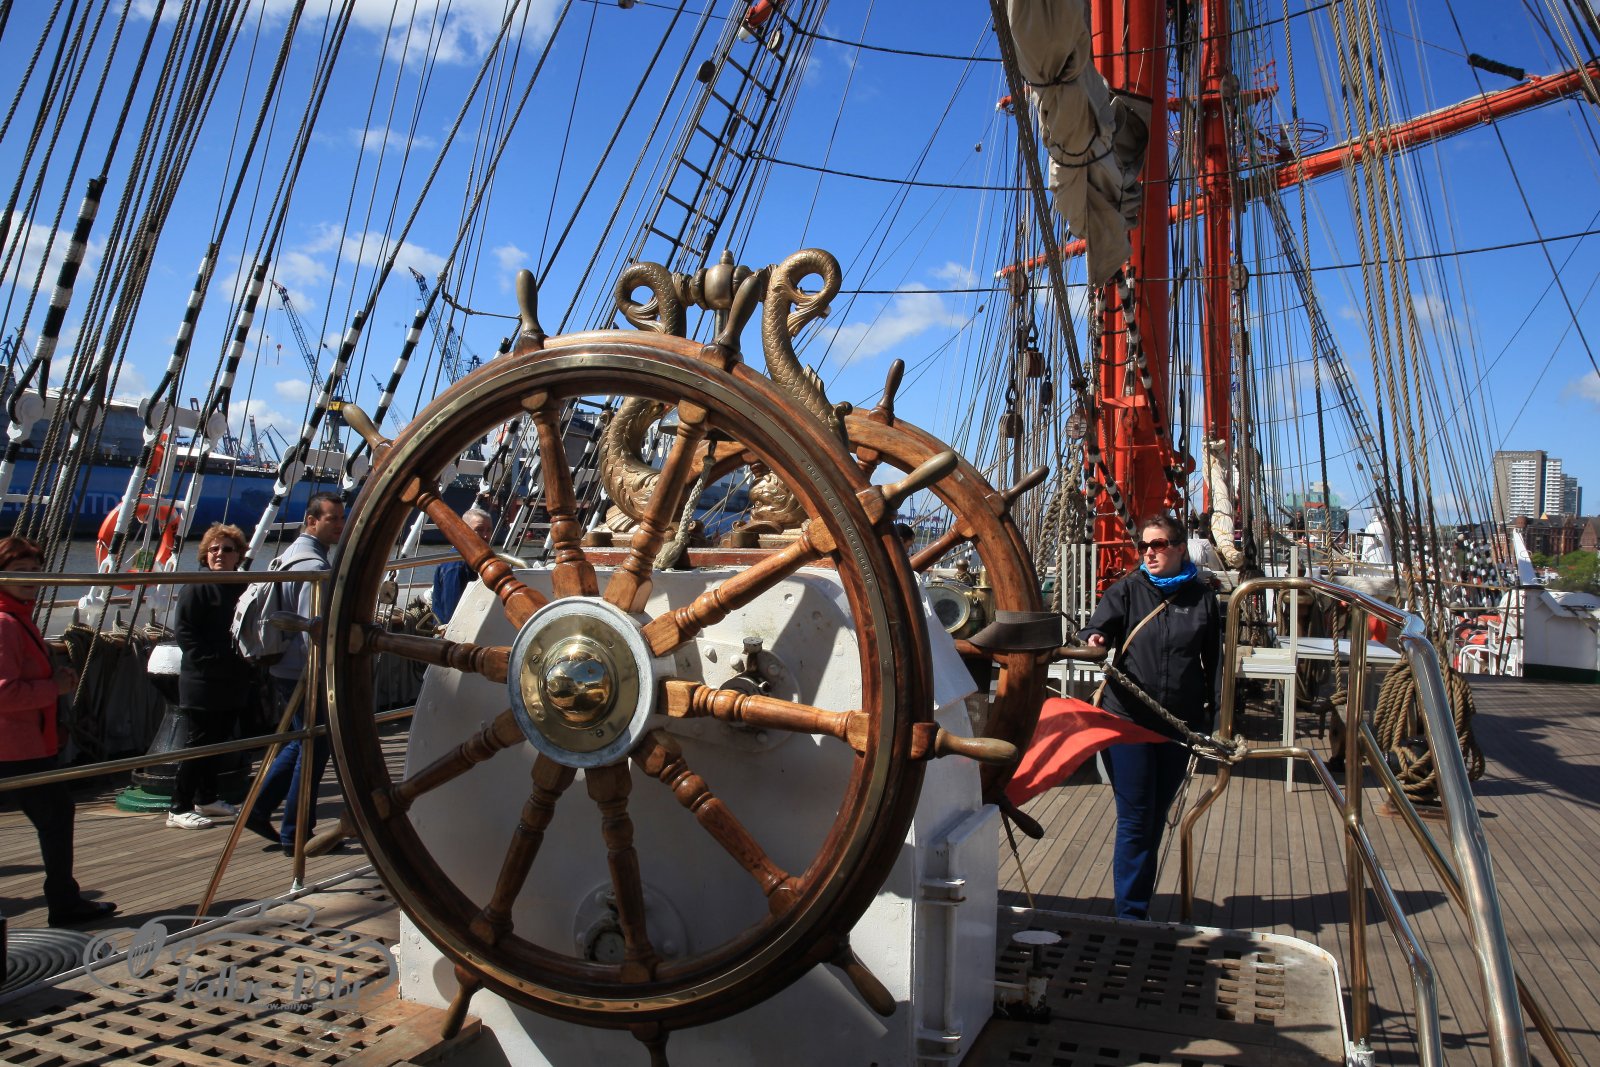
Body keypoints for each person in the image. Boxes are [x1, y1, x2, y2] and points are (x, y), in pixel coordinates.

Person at [1081, 514, 1221, 920]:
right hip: (1127, 720)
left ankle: (1136, 903)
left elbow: (1214, 663)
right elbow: (1098, 627)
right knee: (1136, 817)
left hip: (1178, 725)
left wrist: (1215, 722)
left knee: (1156, 815)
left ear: (1179, 548)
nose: (1149, 553)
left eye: (1158, 545)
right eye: (1143, 546)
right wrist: (1094, 637)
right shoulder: (1127, 590)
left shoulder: (1202, 598)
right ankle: (1131, 916)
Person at [0, 536, 117, 925]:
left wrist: (54, 679)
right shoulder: (5, 623)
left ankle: (65, 900)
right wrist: (55, 687)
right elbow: (4, 692)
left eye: (36, 571)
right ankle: (65, 904)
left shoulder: (18, 617)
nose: (31, 579)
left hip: (26, 742)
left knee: (55, 814)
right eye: (20, 572)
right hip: (17, 747)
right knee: (56, 816)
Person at [244, 492, 345, 852]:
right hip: (304, 670)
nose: (340, 525)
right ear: (311, 521)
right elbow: (311, 628)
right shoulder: (315, 567)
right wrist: (324, 673)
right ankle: (296, 832)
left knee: (300, 742)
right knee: (314, 748)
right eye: (333, 519)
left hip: (283, 666)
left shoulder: (289, 555)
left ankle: (258, 809)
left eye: (342, 518)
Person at [167, 524, 254, 829]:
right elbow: (185, 633)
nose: (220, 554)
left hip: (233, 678)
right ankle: (178, 806)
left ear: (238, 555)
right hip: (203, 680)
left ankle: (206, 797)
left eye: (227, 549)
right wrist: (212, 663)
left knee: (218, 739)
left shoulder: (244, 588)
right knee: (199, 742)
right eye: (214, 549)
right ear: (205, 554)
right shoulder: (197, 587)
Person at [430, 507, 494, 625]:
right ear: (464, 530)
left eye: (489, 530)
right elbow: (452, 614)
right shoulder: (456, 564)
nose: (485, 536)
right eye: (479, 530)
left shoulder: (473, 558)